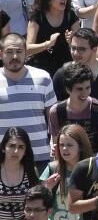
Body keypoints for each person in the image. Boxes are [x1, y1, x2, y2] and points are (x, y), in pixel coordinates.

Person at [0, 34, 56, 167]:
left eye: (19, 51)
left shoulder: (43, 78)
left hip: (39, 156)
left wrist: (55, 144)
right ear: (1, 54)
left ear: (26, 53)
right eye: (9, 52)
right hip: (3, 159)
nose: (14, 56)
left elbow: (53, 117)